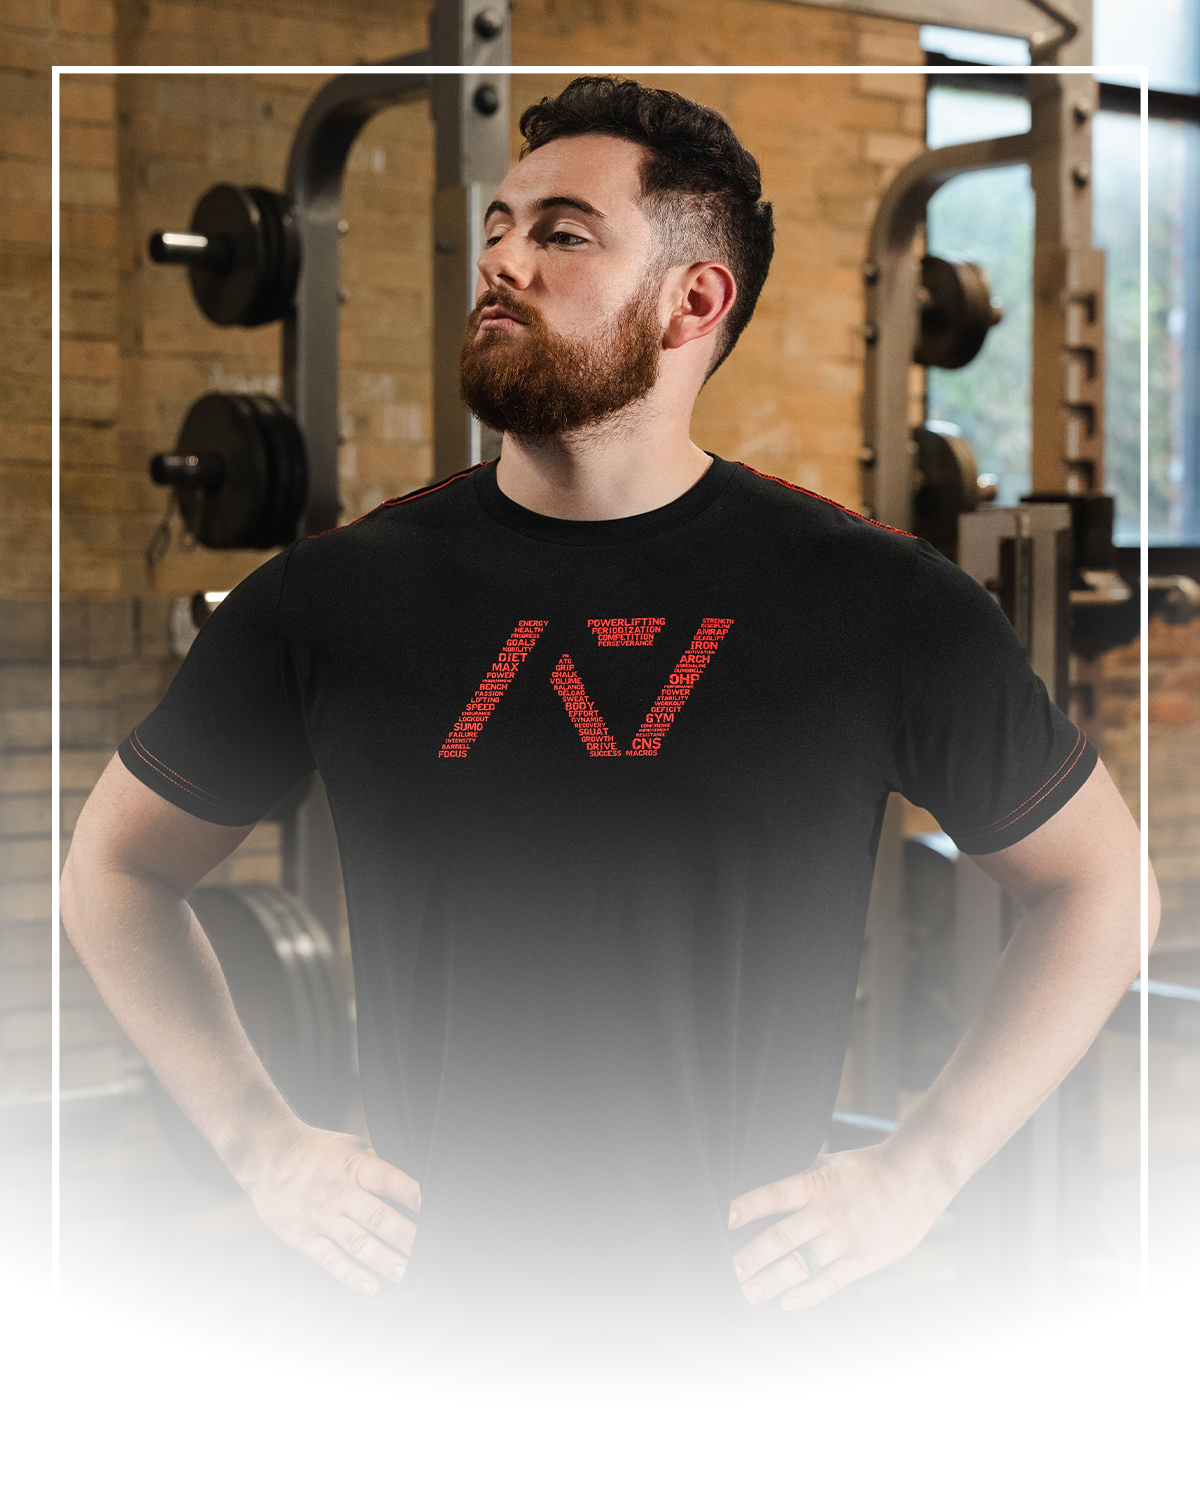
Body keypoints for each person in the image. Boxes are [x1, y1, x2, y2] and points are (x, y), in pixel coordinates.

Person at [60, 77, 1154, 1406]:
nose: (503, 259)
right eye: (501, 225)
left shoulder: (878, 601)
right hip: (419, 1370)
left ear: (697, 301)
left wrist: (922, 1167)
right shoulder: (332, 598)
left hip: (767, 1377)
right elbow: (111, 867)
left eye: (564, 233)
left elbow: (1102, 885)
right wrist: (257, 1139)